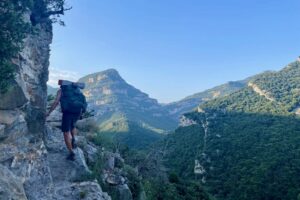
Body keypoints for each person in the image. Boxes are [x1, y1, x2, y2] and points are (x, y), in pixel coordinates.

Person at [46, 81, 87, 161]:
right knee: (73, 125)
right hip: (77, 112)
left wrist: (49, 113)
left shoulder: (61, 91)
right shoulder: (76, 89)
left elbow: (56, 102)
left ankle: (71, 153)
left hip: (67, 113)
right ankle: (73, 139)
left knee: (66, 132)